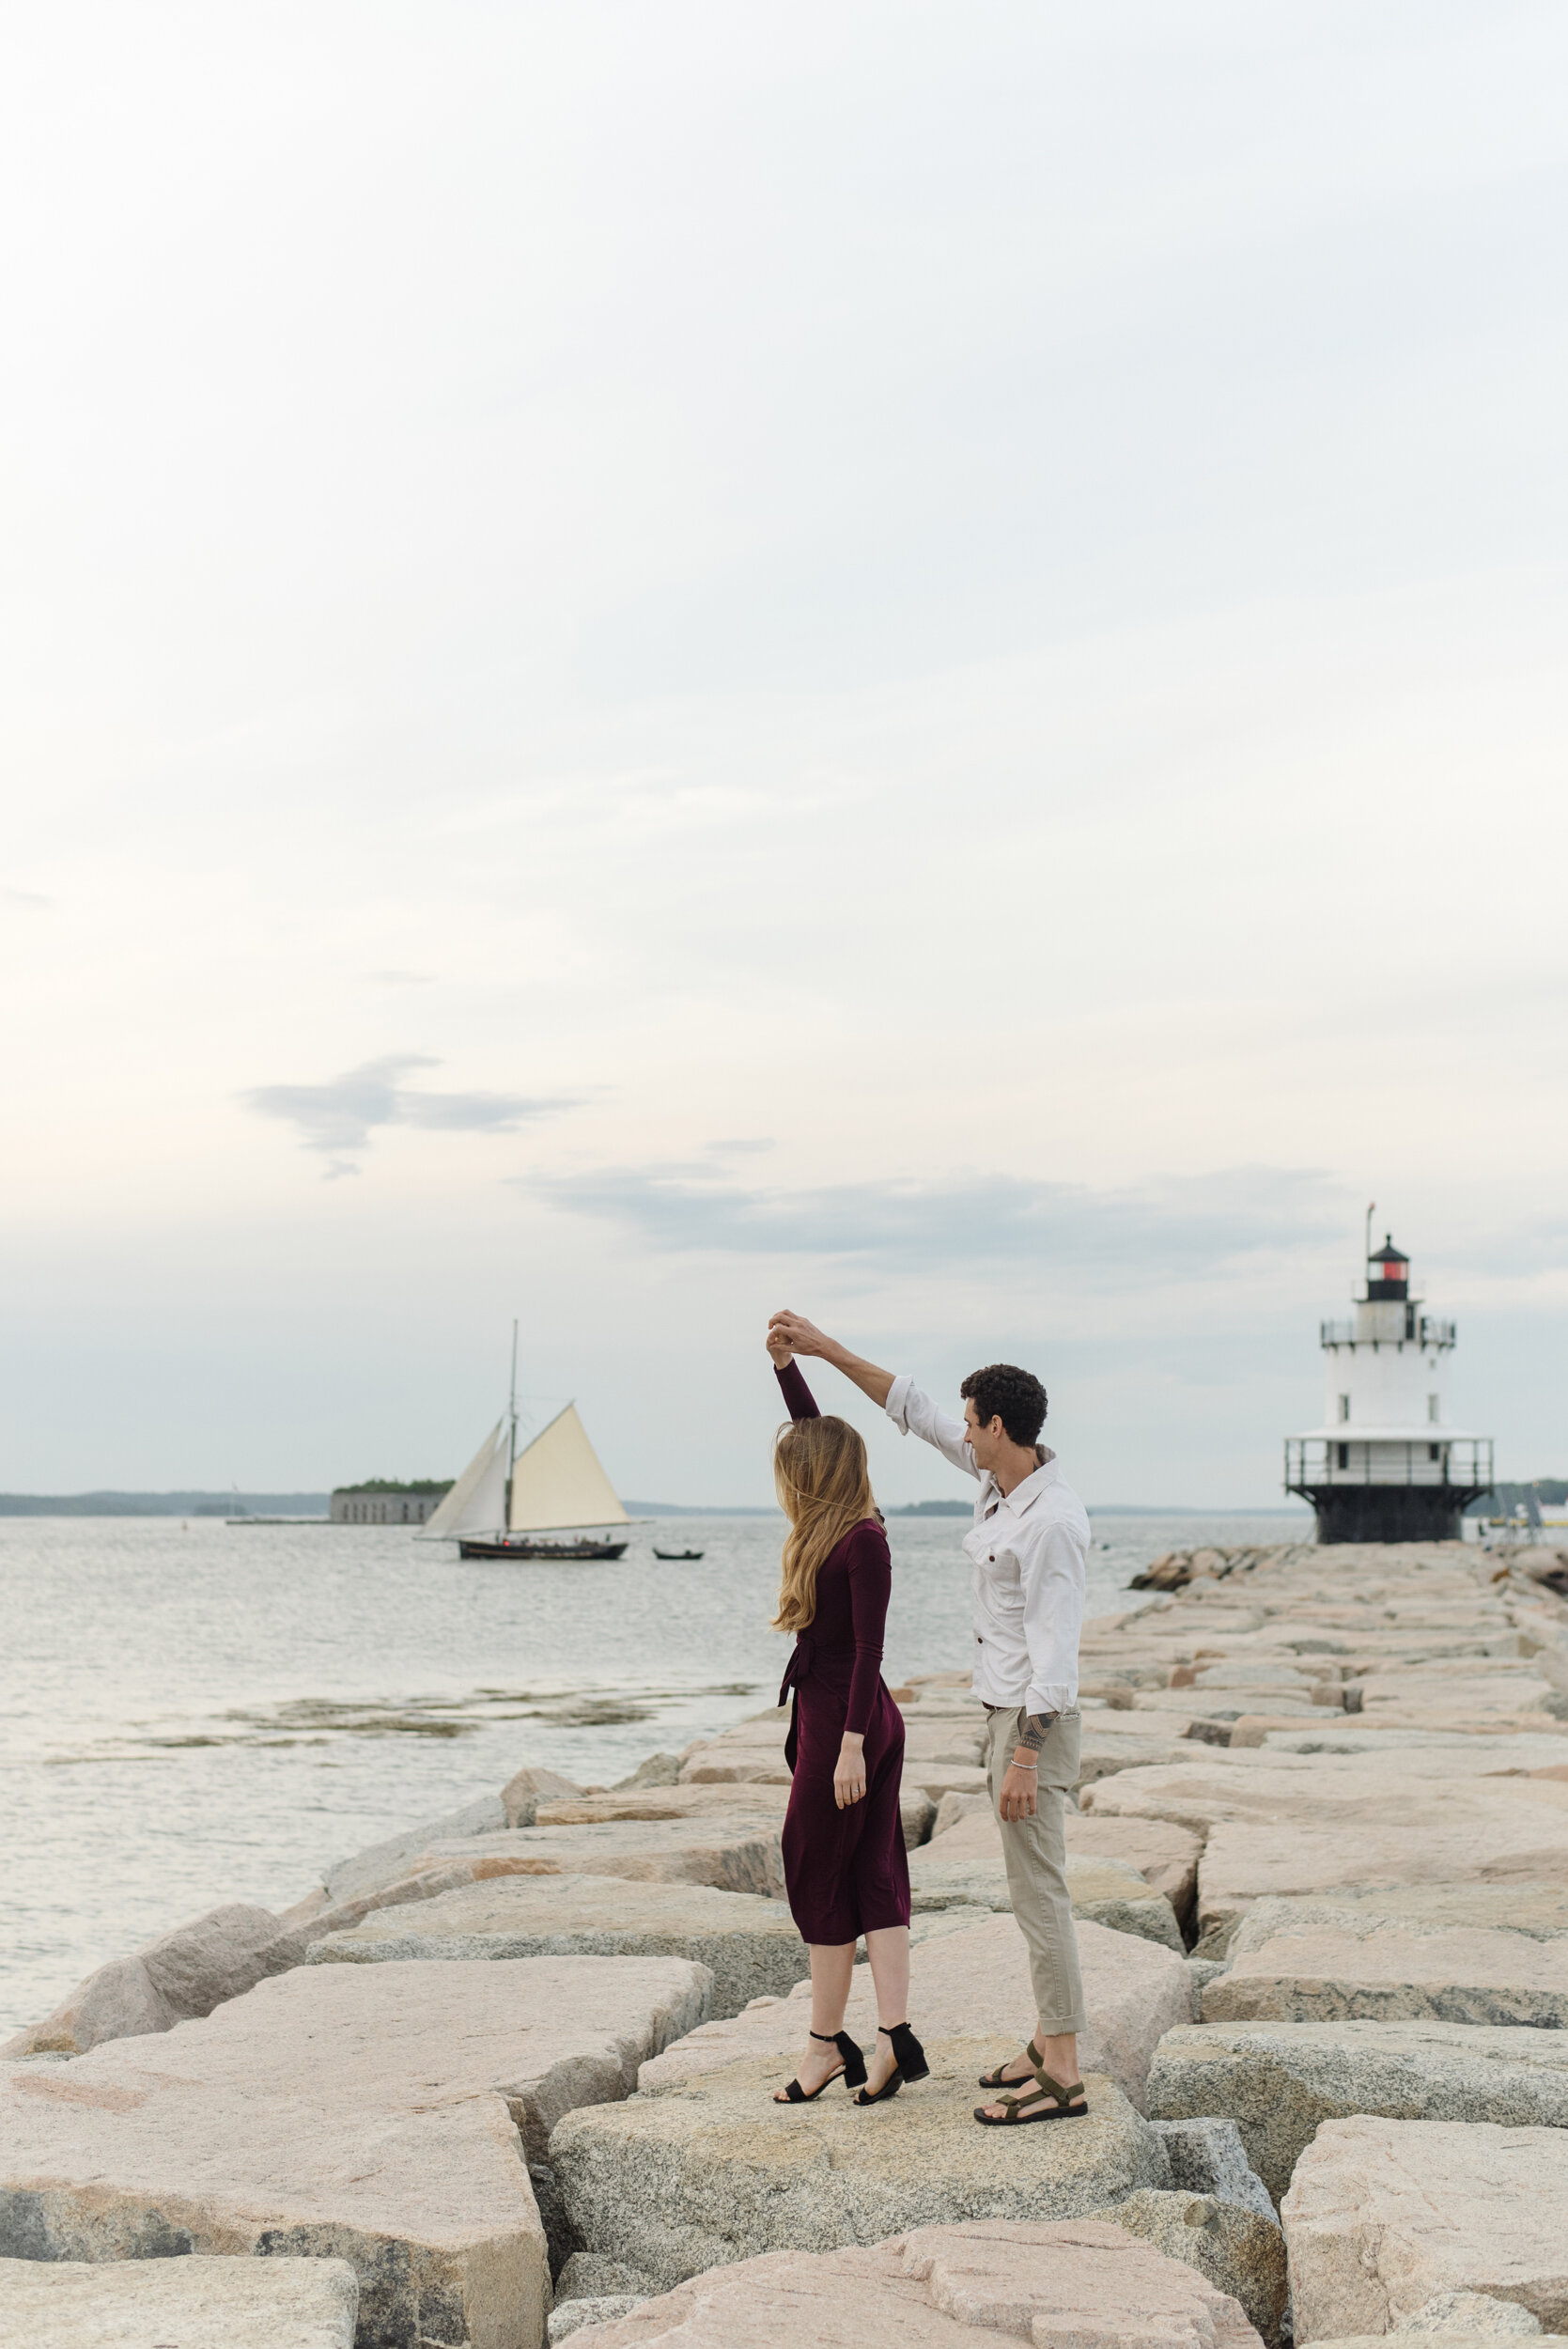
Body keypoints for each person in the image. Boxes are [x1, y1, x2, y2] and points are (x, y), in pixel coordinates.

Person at [768, 1310, 1090, 2128]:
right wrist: (818, 1349)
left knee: (1038, 1893)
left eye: (973, 1425)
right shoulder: (999, 1484)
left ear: (1001, 1428)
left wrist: (1024, 1755)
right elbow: (905, 1406)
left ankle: (1063, 2070)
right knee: (1028, 1890)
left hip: (1030, 1723)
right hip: (1003, 1715)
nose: (963, 1437)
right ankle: (1044, 2038)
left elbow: (1056, 1657)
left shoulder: (1051, 1521)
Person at [765, 1323, 928, 2107]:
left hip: (849, 1725)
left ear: (814, 1479)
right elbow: (809, 1432)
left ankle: (824, 2044)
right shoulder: (842, 1524)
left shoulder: (861, 1541)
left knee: (815, 1870)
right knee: (870, 1871)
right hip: (846, 1722)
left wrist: (850, 1747)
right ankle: (894, 2038)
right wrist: (786, 1368)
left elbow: (870, 1650)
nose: (786, 1482)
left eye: (794, 1473)